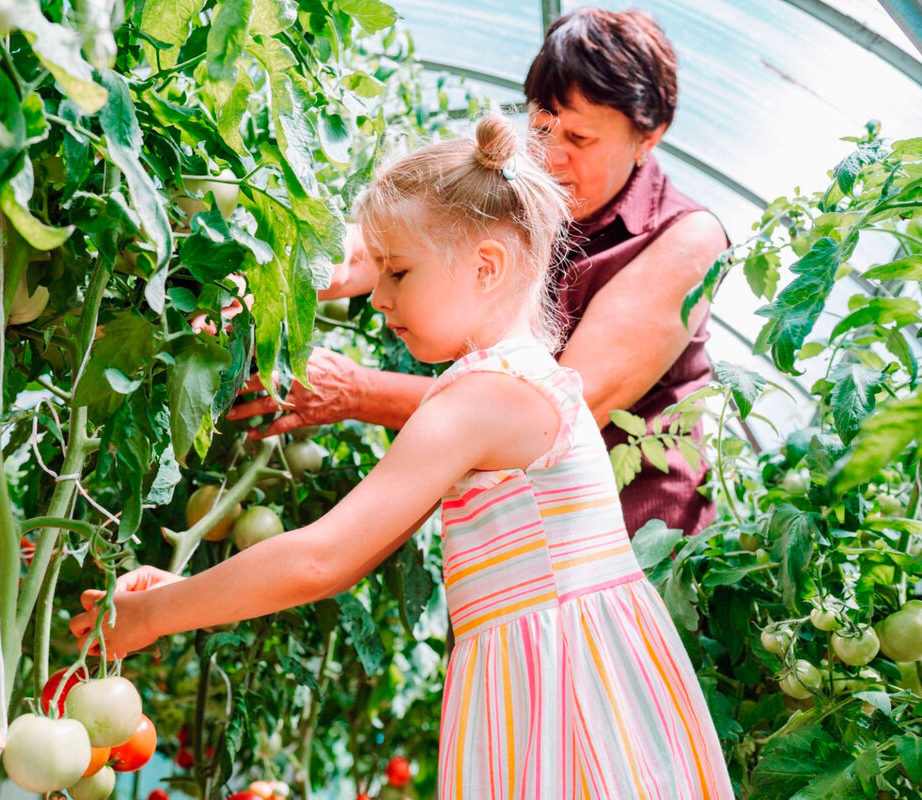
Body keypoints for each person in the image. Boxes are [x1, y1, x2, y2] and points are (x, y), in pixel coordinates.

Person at [70, 116, 732, 799]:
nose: (379, 297)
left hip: (556, 691)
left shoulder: (480, 401)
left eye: (399, 270)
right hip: (580, 677)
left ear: (487, 267)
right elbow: (349, 559)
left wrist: (152, 616)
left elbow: (320, 558)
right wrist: (177, 594)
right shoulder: (524, 380)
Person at [229, 8, 729, 539]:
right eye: (541, 128)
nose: (551, 157)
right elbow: (373, 251)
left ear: (649, 136)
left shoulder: (686, 239)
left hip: (633, 549)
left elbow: (565, 406)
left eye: (580, 140)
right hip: (514, 545)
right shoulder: (519, 190)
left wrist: (354, 390)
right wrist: (263, 277)